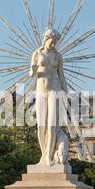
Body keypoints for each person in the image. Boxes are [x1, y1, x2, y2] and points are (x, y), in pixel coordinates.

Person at [29, 28, 68, 165]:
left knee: (52, 126)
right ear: (46, 39)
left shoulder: (58, 56)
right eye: (52, 41)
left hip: (55, 89)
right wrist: (33, 71)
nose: (54, 44)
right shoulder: (37, 53)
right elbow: (31, 73)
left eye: (56, 41)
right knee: (41, 126)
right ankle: (44, 153)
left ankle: (48, 157)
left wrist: (65, 93)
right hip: (41, 90)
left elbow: (61, 75)